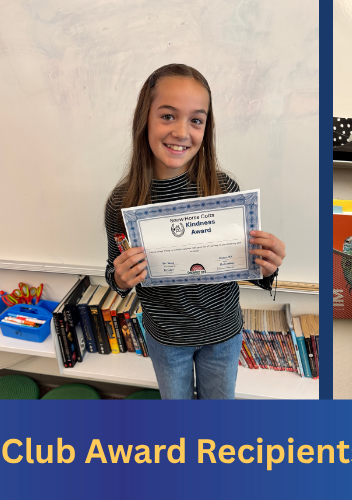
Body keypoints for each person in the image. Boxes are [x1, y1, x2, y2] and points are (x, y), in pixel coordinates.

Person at [104, 64, 287, 399]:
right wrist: (120, 278)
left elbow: (249, 266)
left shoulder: (223, 189)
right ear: (145, 118)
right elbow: (114, 273)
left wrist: (268, 267)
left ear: (206, 127)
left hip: (223, 334)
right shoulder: (122, 202)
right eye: (168, 116)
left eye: (196, 120)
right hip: (166, 339)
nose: (182, 132)